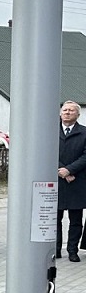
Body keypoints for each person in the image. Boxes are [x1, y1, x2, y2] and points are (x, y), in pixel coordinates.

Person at [57, 101, 86, 262]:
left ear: (77, 114)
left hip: (77, 181)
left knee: (76, 220)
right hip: (57, 181)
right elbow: (47, 151)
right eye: (65, 110)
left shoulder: (84, 132)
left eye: (71, 110)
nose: (67, 113)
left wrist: (70, 170)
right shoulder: (50, 130)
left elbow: (85, 156)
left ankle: (73, 250)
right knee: (55, 219)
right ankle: (56, 249)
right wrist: (61, 170)